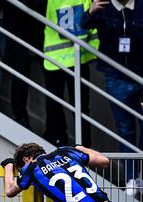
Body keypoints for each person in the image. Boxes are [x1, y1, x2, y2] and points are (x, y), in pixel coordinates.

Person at [81, 0, 143, 196]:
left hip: (141, 75)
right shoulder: (103, 7)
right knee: (125, 130)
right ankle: (132, 178)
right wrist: (90, 12)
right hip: (115, 76)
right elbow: (81, 26)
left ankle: (140, 175)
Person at [42, 0, 97, 147]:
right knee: (69, 105)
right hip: (65, 59)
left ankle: (68, 143)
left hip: (63, 59)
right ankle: (79, 145)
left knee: (70, 105)